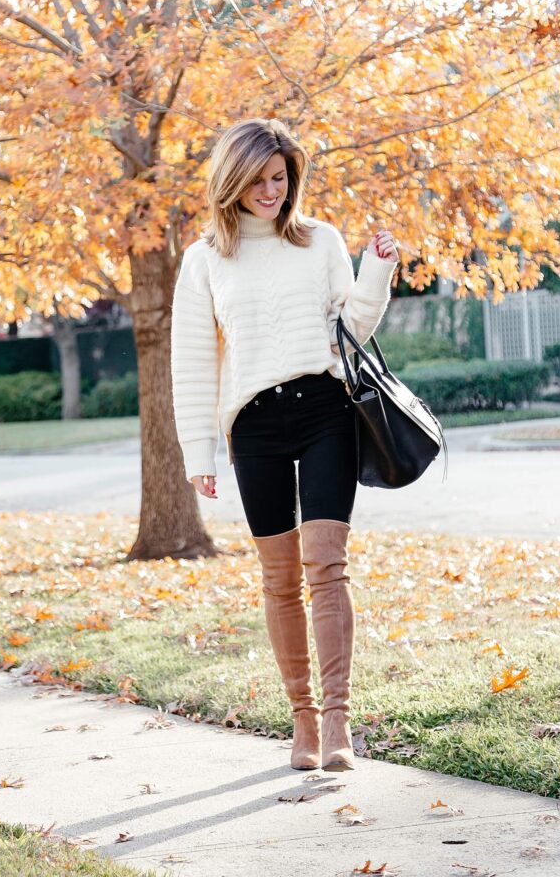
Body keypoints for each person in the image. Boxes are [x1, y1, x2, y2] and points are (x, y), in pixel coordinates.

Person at [170, 118, 399, 772]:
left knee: (325, 565)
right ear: (231, 181)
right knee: (278, 579)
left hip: (326, 411)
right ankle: (300, 721)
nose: (271, 190)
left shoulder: (319, 239)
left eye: (279, 178)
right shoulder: (204, 259)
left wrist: (376, 269)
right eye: (258, 180)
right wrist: (197, 453)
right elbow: (190, 360)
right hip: (255, 426)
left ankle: (337, 725)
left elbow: (350, 326)